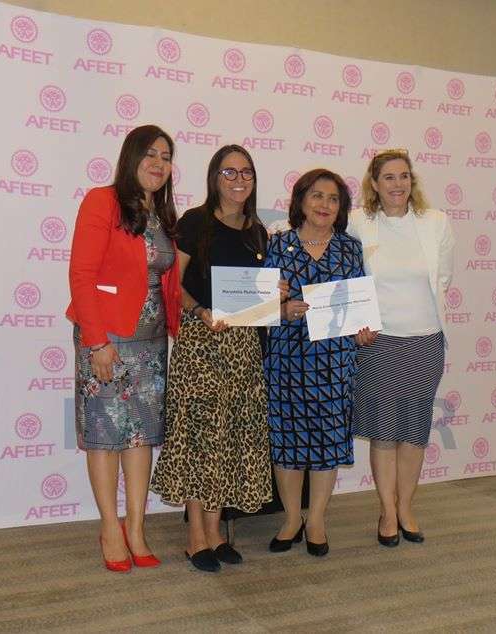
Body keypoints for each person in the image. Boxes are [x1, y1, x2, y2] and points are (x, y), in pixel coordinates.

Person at [150, 145, 274, 573]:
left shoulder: (259, 232)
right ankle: (195, 537)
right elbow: (173, 283)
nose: (238, 179)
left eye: (246, 172)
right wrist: (200, 311)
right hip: (201, 343)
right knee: (200, 437)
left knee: (230, 437)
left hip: (242, 348)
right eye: (229, 171)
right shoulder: (195, 222)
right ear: (214, 177)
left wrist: (274, 299)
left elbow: (258, 296)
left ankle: (217, 532)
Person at [66, 124, 181, 572]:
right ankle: (110, 528)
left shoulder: (162, 214)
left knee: (140, 437)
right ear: (131, 157)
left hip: (152, 343)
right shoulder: (103, 200)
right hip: (107, 337)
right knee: (106, 435)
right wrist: (96, 340)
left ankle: (136, 527)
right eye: (150, 153)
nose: (158, 162)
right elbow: (82, 274)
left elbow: (167, 279)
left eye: (166, 156)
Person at [346, 150, 454, 547]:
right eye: (388, 177)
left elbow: (444, 277)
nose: (397, 184)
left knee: (413, 432)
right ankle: (387, 512)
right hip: (379, 343)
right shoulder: (358, 223)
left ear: (413, 181)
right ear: (374, 183)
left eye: (404, 176)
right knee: (384, 433)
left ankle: (406, 507)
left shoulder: (436, 223)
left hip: (426, 341)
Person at [264, 168, 372, 557]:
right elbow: (256, 307)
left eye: (333, 198)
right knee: (288, 442)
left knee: (327, 442)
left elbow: (361, 307)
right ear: (301, 201)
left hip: (334, 361)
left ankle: (317, 519)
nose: (324, 204)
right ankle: (292, 517)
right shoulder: (278, 245)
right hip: (286, 359)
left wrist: (363, 330)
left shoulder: (350, 248)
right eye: (317, 196)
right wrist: (281, 309)